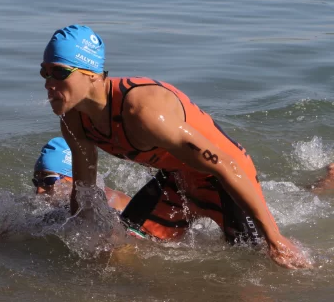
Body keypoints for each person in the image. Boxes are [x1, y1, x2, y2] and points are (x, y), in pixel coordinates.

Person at [40, 24, 312, 269]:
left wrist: (274, 237)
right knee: (118, 252)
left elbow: (226, 164)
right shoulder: (74, 119)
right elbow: (84, 188)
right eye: (45, 72)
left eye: (60, 73)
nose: (48, 84)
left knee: (260, 266)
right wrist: (76, 234)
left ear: (91, 73)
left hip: (225, 179)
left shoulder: (144, 111)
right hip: (176, 179)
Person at [33, 137, 131, 213]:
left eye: (49, 181)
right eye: (36, 182)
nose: (39, 190)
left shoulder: (106, 202)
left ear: (73, 179)